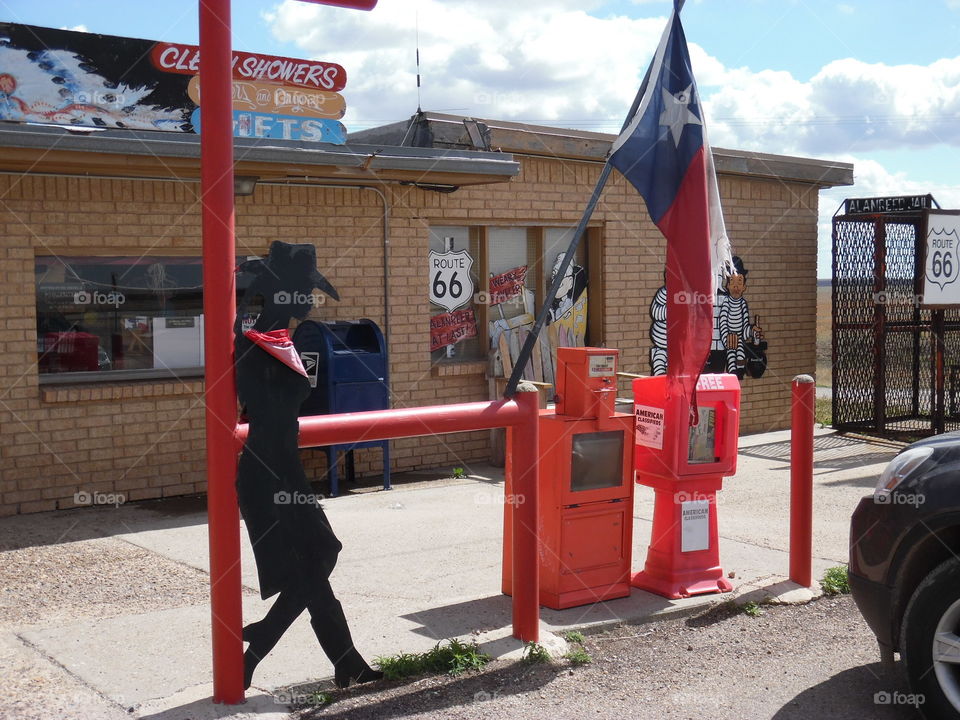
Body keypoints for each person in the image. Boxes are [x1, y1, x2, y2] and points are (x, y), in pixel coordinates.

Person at [234, 241, 381, 691]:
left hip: (280, 465)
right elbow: (264, 413)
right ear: (281, 293)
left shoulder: (273, 335)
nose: (309, 299)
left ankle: (294, 650)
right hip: (269, 471)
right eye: (302, 289)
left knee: (314, 564)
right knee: (320, 557)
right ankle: (330, 657)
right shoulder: (256, 341)